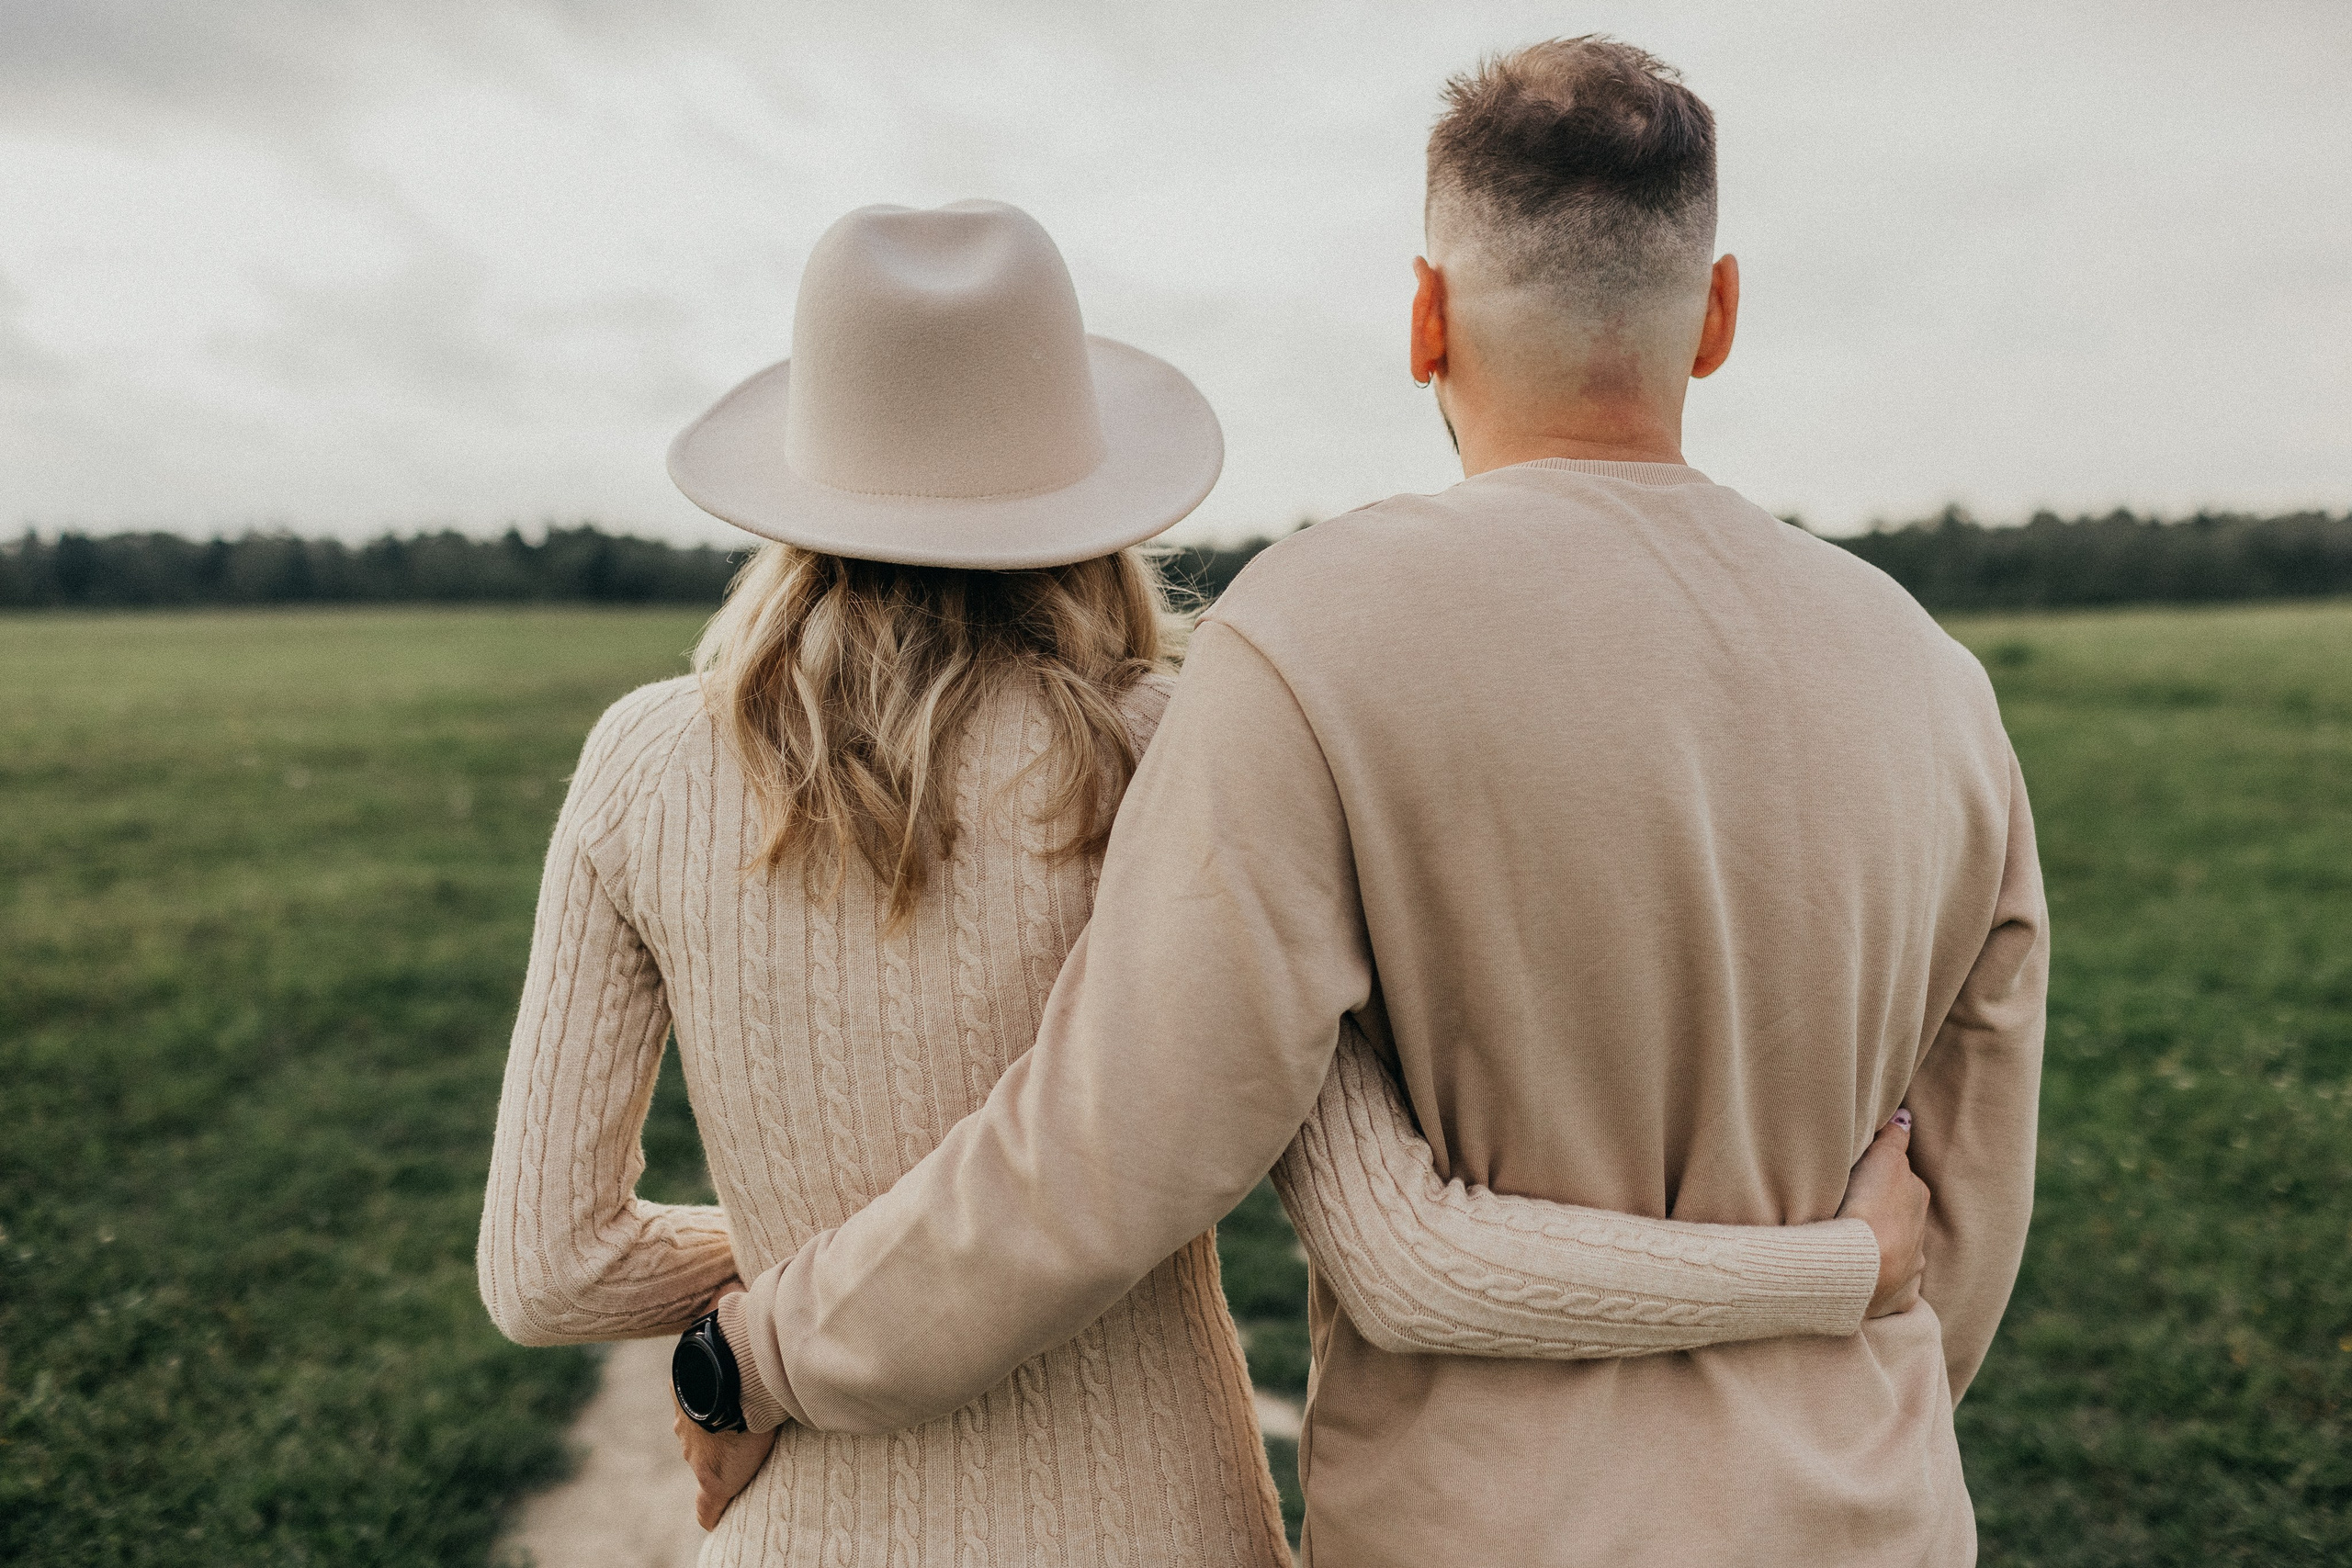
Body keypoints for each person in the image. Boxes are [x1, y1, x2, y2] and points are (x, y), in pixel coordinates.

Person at [697, 38, 2048, 1568]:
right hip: (1873, 1517)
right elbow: (1966, 1208)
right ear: (1717, 315)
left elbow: (1114, 1147)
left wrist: (766, 1352)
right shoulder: (1935, 679)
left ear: (1424, 318)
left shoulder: (1316, 631)